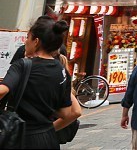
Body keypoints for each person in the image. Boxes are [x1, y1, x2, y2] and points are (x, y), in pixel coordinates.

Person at [0, 16, 80, 149]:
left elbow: (3, 90)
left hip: (22, 138)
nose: (25, 41)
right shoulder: (62, 71)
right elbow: (67, 113)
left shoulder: (22, 65)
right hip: (48, 138)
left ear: (36, 41)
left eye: (27, 37)